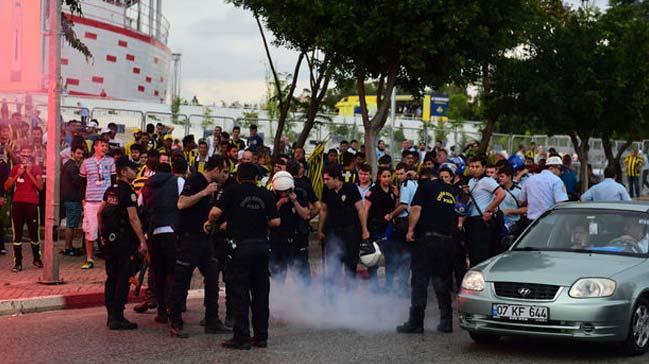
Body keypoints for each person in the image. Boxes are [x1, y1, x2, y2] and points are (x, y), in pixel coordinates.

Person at [205, 162, 280, 350]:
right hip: (262, 248)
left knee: (239, 294)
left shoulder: (232, 191)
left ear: (238, 177)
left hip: (240, 249)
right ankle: (261, 337)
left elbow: (215, 213)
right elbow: (276, 222)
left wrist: (212, 222)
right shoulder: (266, 194)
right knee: (261, 294)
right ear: (256, 178)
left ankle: (242, 337)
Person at [168, 156, 231, 338]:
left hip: (205, 238)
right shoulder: (196, 180)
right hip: (189, 238)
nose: (225, 176)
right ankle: (175, 321)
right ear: (216, 169)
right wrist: (203, 192)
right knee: (182, 278)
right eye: (224, 171)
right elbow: (181, 203)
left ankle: (211, 320)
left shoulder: (215, 187)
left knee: (212, 276)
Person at [396, 171, 457, 334]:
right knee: (442, 282)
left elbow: (415, 209)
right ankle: (446, 322)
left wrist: (410, 230)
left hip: (427, 240)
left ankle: (416, 323)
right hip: (447, 241)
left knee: (419, 282)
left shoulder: (425, 186)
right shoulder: (450, 191)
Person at [98, 157, 148, 330]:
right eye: (132, 169)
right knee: (123, 277)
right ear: (124, 172)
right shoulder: (128, 192)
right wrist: (142, 240)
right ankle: (117, 317)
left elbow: (100, 212)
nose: (135, 171)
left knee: (111, 277)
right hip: (124, 242)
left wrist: (102, 235)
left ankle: (111, 315)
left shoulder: (111, 190)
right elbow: (133, 218)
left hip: (110, 241)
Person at [141, 159, 187, 324]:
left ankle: (161, 310)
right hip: (172, 233)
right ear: (171, 171)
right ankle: (174, 310)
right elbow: (184, 205)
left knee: (159, 273)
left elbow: (142, 208)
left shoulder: (146, 185)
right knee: (174, 273)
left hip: (154, 234)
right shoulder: (178, 181)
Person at [318, 166, 370, 288]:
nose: (325, 182)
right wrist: (320, 230)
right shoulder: (326, 190)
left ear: (336, 178)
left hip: (350, 232)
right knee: (333, 264)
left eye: (328, 179)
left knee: (350, 264)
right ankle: (333, 297)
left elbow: (360, 209)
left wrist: (364, 230)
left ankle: (350, 293)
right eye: (324, 179)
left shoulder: (350, 188)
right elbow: (324, 210)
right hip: (332, 232)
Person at [4, 145, 43, 272]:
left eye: (28, 154)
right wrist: (18, 175)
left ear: (31, 155)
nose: (25, 157)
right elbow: (6, 186)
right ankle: (18, 262)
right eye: (23, 154)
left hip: (31, 204)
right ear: (20, 156)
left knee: (34, 234)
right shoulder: (15, 168)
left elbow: (40, 187)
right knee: (17, 235)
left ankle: (37, 258)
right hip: (17, 204)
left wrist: (29, 173)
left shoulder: (36, 168)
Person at [267, 170, 311, 284]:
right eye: (280, 192)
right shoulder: (270, 196)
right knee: (277, 273)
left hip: (297, 238)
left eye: (286, 191)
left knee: (302, 273)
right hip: (278, 239)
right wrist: (280, 203)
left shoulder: (300, 193)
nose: (283, 194)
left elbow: (306, 215)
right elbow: (267, 217)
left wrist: (295, 201)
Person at [80, 139, 116, 269]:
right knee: (90, 230)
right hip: (90, 201)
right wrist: (83, 199)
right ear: (95, 147)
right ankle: (89, 258)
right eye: (102, 145)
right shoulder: (86, 163)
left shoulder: (111, 161)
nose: (104, 148)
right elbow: (82, 182)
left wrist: (111, 199)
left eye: (106, 146)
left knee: (108, 229)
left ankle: (111, 257)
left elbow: (113, 182)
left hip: (105, 201)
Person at [463, 157, 506, 266]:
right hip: (471, 220)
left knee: (480, 255)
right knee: (472, 253)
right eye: (471, 167)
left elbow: (501, 194)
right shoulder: (471, 181)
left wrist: (488, 210)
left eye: (477, 167)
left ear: (483, 168)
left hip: (481, 220)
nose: (474, 169)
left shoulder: (487, 181)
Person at [364, 167, 398, 290]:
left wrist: (397, 195)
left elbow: (396, 208)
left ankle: (388, 285)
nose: (387, 179)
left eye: (389, 176)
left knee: (390, 257)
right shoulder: (373, 191)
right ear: (379, 177)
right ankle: (374, 286)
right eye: (384, 176)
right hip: (374, 227)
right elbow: (365, 210)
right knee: (374, 257)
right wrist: (364, 228)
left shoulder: (393, 191)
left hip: (388, 228)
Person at [519, 156, 569, 223]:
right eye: (560, 169)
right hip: (549, 222)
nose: (561, 172)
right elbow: (561, 204)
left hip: (531, 222)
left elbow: (521, 200)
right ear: (551, 168)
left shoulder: (530, 179)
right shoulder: (557, 181)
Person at [61, 145, 85, 256]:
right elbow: (78, 182)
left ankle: (69, 246)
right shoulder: (73, 166)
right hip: (72, 198)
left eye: (81, 154)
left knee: (71, 223)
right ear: (72, 153)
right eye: (78, 153)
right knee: (71, 224)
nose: (80, 156)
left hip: (69, 198)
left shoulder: (69, 164)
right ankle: (68, 247)